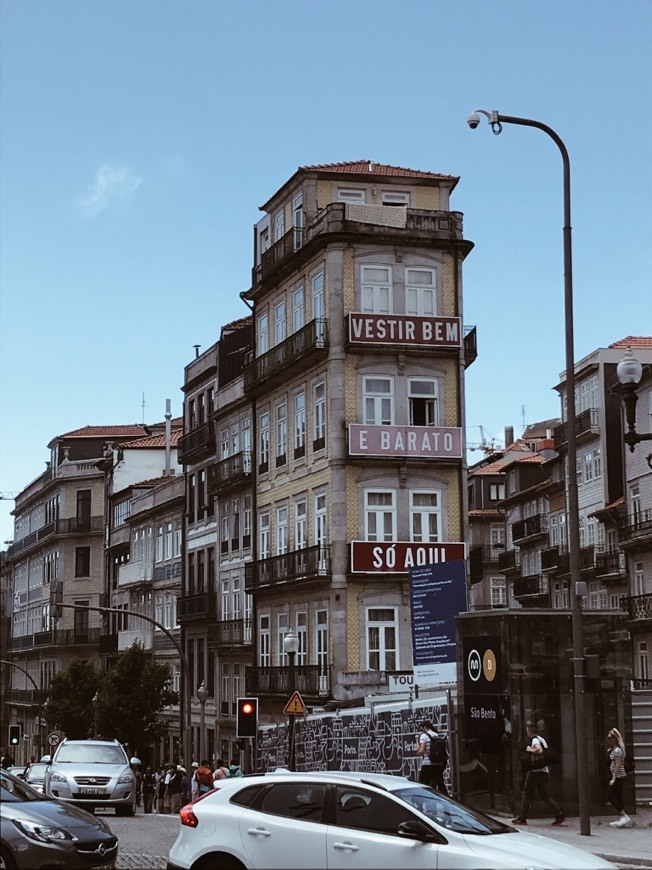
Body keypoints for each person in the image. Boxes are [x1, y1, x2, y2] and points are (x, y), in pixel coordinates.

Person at [512, 723, 567, 826]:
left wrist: (529, 750)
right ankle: (559, 814)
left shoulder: (535, 740)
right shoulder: (542, 739)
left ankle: (522, 818)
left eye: (527, 730)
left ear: (529, 731)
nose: (526, 733)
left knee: (527, 793)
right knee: (545, 795)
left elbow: (539, 750)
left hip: (535, 772)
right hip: (543, 771)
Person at [416, 719, 449, 795]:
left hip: (427, 765)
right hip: (437, 765)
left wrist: (418, 750)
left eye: (421, 728)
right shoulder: (436, 735)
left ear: (424, 727)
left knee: (422, 785)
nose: (421, 729)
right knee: (441, 785)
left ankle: (422, 802)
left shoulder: (424, 736)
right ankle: (448, 800)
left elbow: (421, 752)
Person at [607, 727, 630, 828]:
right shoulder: (615, 749)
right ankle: (622, 817)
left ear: (614, 739)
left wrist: (613, 778)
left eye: (610, 738)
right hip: (619, 776)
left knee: (611, 796)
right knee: (618, 796)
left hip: (619, 777)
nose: (608, 740)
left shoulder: (617, 751)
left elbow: (617, 765)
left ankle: (624, 815)